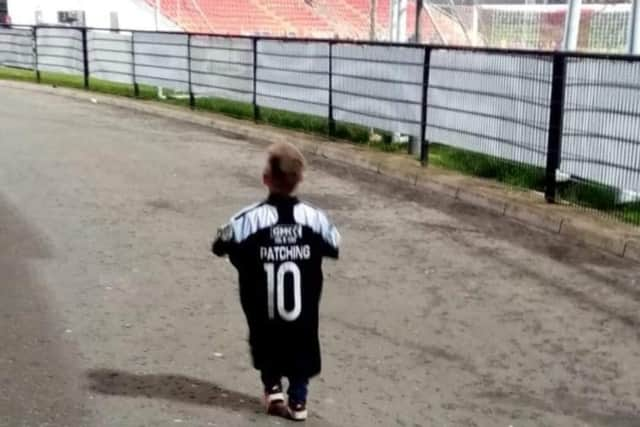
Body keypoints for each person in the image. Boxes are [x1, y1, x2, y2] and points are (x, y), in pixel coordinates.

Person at [212, 142, 341, 421]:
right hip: (303, 312)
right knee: (303, 346)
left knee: (263, 337)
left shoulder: (248, 219)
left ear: (266, 179)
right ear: (300, 179)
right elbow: (334, 244)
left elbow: (220, 243)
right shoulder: (314, 218)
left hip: (264, 308)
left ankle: (272, 389)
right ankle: (299, 400)